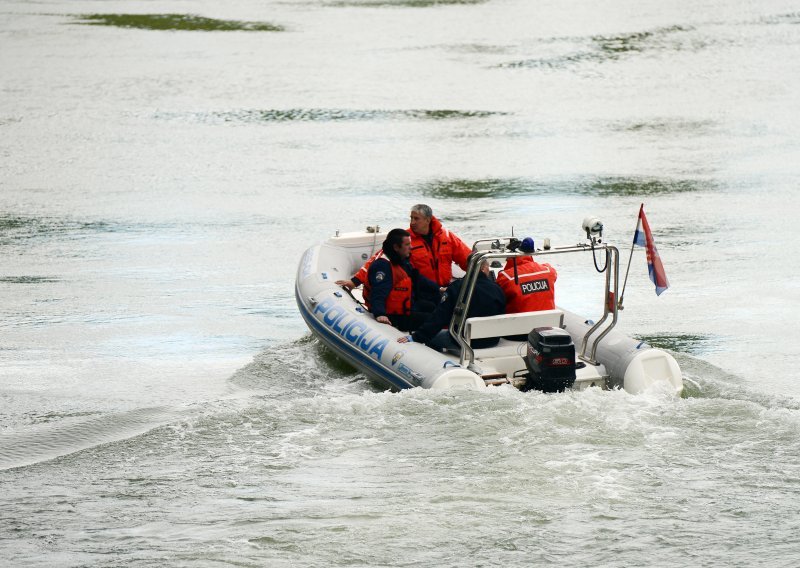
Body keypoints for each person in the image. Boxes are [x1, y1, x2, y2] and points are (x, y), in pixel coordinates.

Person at [336, 204, 472, 294]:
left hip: (443, 289)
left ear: (428, 220)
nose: (412, 222)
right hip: (419, 291)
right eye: (411, 218)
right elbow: (380, 259)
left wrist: (481, 273)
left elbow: (466, 257)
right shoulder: (405, 239)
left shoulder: (446, 237)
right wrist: (355, 282)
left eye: (416, 219)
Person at [397, 256, 506, 351]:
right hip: (492, 340)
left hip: (463, 340)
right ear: (483, 268)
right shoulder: (497, 289)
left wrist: (417, 337)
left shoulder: (457, 287)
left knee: (431, 337)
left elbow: (439, 317)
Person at [365, 228, 440, 331]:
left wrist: (439, 288)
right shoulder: (383, 266)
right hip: (394, 315)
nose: (411, 247)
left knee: (433, 305)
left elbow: (416, 278)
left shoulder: (400, 260)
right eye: (407, 245)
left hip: (407, 306)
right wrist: (380, 314)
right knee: (435, 319)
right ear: (396, 247)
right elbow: (378, 293)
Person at [496, 237, 557, 313]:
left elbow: (497, 295)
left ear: (511, 256)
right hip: (548, 322)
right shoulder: (548, 271)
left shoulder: (505, 277)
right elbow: (552, 272)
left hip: (519, 323)